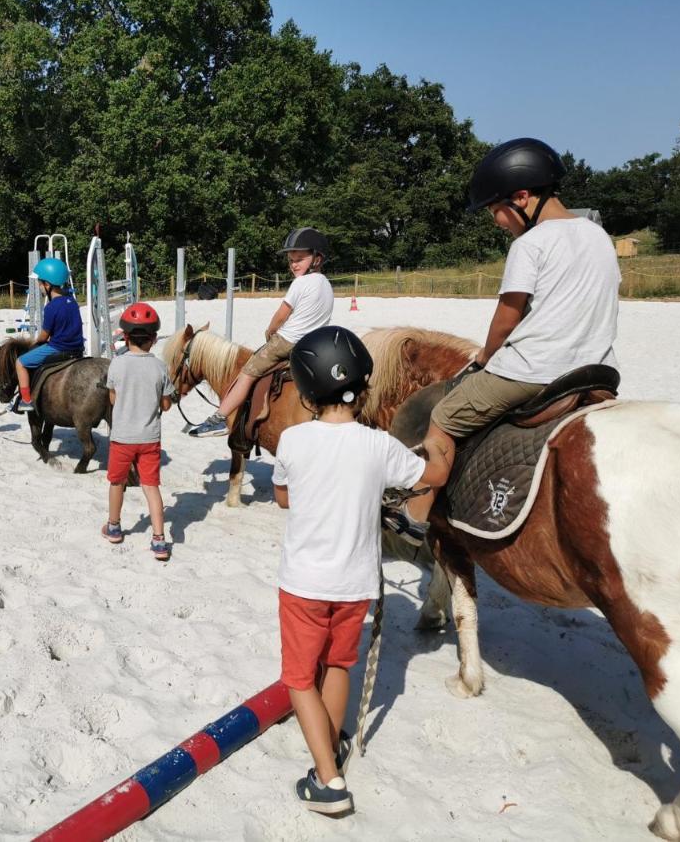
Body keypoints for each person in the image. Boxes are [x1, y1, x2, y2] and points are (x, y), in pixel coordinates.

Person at [391, 138, 621, 541]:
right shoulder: (599, 236)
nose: (498, 221)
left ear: (522, 197)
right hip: (596, 369)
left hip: (534, 370)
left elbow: (508, 317)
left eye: (497, 210)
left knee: (443, 419)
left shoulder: (530, 243)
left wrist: (486, 355)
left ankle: (415, 516)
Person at [273, 326, 449, 816]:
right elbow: (430, 477)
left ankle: (328, 781)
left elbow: (284, 497)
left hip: (304, 583)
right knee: (338, 665)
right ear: (363, 387)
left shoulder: (292, 440)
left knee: (298, 678)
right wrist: (438, 446)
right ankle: (334, 744)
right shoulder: (379, 446)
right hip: (355, 587)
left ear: (306, 391)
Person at [187, 227, 333, 436]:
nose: (294, 264)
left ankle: (219, 418)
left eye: (299, 258)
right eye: (291, 260)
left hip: (287, 341)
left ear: (317, 259)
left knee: (247, 372)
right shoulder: (327, 285)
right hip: (314, 345)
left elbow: (282, 314)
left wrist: (271, 329)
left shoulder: (300, 283)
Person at [103, 302, 175, 560]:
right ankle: (158, 540)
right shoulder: (160, 367)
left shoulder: (117, 364)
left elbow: (113, 398)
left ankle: (113, 526)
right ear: (154, 339)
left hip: (122, 438)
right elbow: (166, 405)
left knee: (117, 482)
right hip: (149, 438)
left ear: (124, 336)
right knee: (151, 486)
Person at [12, 257, 84, 413]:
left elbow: (44, 337)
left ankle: (26, 400)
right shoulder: (71, 301)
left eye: (40, 283)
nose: (39, 287)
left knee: (20, 362)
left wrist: (36, 341)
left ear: (48, 284)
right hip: (77, 348)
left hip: (59, 348)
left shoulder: (51, 307)